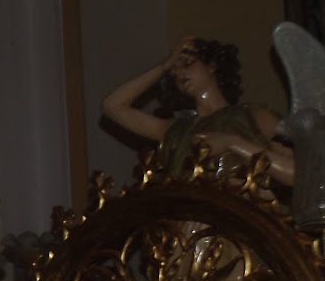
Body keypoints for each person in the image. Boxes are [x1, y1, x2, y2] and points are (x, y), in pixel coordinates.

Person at [101, 36, 295, 183]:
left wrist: (234, 143)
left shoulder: (255, 117)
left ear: (212, 66)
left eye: (187, 63)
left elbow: (296, 173)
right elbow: (113, 106)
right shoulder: (175, 129)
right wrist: (163, 67)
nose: (180, 73)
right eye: (174, 72)